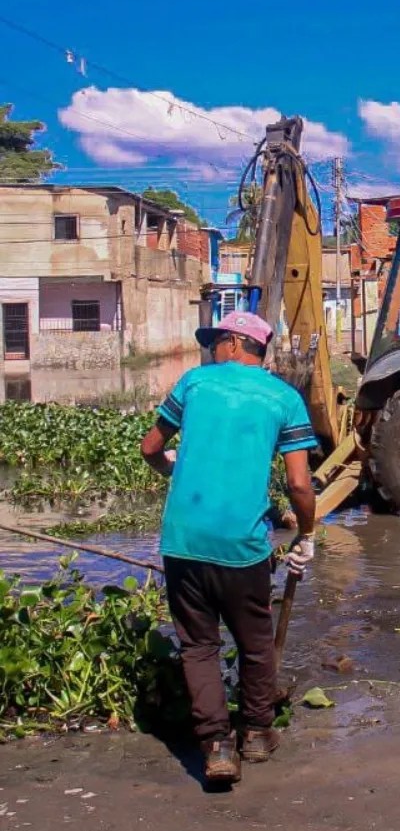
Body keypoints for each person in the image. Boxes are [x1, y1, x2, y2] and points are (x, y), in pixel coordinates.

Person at [140, 311, 316, 784]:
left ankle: (217, 747)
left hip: (185, 540)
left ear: (237, 343)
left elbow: (150, 447)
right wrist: (308, 531)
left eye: (217, 340)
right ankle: (256, 734)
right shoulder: (284, 398)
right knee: (255, 643)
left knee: (198, 646)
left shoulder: (195, 384)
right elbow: (299, 483)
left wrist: (171, 466)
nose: (212, 349)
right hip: (243, 546)